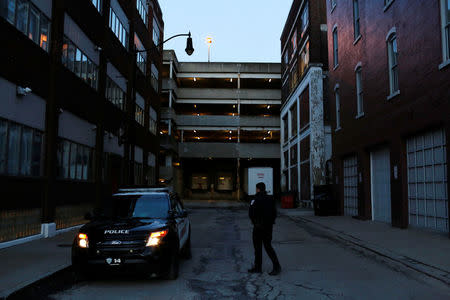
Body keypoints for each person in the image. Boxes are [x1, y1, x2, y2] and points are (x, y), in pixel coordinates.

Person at [248, 182, 281, 275]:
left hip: (258, 227)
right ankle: (277, 267)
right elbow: (274, 213)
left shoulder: (254, 199)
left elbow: (251, 213)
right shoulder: (271, 199)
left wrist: (255, 223)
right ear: (264, 189)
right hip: (268, 227)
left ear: (257, 189)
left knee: (257, 248)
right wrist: (271, 222)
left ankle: (258, 267)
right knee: (268, 247)